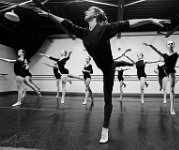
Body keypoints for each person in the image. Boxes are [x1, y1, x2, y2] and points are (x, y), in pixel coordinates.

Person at [36, 6, 170, 143]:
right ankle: (124, 63)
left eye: (88, 10)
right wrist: (49, 15)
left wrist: (151, 20)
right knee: (117, 62)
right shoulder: (84, 32)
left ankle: (105, 128)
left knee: (108, 96)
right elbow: (67, 24)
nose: (85, 12)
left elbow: (128, 23)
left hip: (108, 69)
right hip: (103, 64)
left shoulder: (105, 29)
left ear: (96, 14)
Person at [143, 41, 179, 115]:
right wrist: (150, 45)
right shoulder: (164, 55)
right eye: (169, 44)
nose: (170, 45)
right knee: (162, 82)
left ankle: (172, 107)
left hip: (171, 71)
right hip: (163, 70)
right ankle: (162, 86)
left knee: (172, 89)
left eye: (171, 44)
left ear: (174, 45)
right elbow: (157, 50)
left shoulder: (177, 53)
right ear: (166, 46)